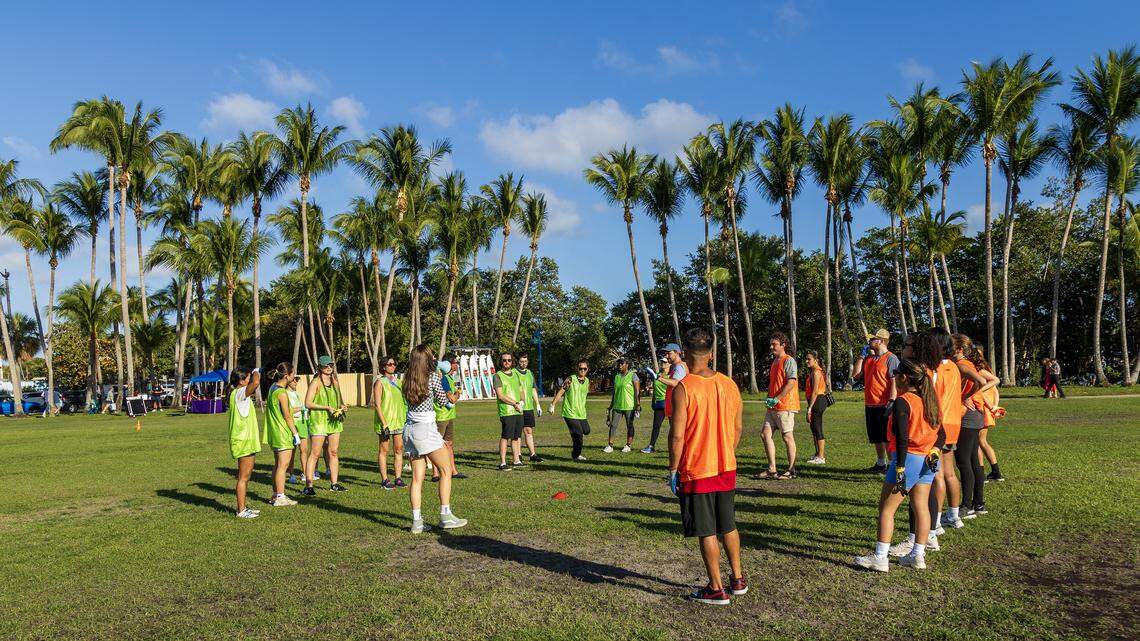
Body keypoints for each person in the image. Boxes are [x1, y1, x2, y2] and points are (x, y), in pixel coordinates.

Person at [668, 327, 746, 604]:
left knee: (707, 530)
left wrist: (672, 470)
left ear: (687, 354)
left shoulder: (685, 387)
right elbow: (738, 428)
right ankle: (737, 578)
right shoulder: (729, 384)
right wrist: (725, 451)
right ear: (711, 354)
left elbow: (677, 435)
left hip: (697, 468)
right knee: (728, 525)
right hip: (726, 466)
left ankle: (716, 588)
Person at [854, 358, 942, 572]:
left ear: (904, 378)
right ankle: (917, 555)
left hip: (908, 459)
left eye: (895, 375)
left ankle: (880, 558)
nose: (893, 378)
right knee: (921, 508)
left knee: (886, 509)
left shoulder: (904, 401)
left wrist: (900, 467)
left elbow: (902, 437)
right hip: (927, 461)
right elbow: (942, 434)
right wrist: (935, 450)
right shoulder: (929, 400)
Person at [401, 344, 466, 533]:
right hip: (426, 429)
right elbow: (445, 403)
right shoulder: (433, 378)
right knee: (446, 470)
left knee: (416, 478)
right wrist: (454, 395)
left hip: (409, 430)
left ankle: (417, 522)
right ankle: (446, 516)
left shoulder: (406, 379)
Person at [951, 335, 998, 520]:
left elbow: (982, 382)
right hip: (974, 415)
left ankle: (967, 505)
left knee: (964, 462)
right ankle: (978, 503)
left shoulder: (963, 364)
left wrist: (964, 397)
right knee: (973, 460)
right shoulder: (967, 363)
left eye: (951, 346)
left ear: (960, 349)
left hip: (968, 417)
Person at [852, 328, 899, 473]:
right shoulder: (869, 359)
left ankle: (892, 465)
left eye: (873, 339)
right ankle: (880, 463)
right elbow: (856, 376)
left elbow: (894, 382)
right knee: (876, 436)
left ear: (882, 341)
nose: (869, 341)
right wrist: (861, 356)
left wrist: (892, 401)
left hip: (885, 404)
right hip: (870, 404)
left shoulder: (891, 358)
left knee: (887, 437)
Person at [303, 355, 348, 495]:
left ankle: (334, 484)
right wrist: (326, 407)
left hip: (334, 422)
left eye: (331, 365)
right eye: (326, 365)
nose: (329, 367)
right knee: (315, 454)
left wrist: (342, 406)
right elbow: (307, 403)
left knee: (333, 452)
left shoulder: (335, 381)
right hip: (319, 422)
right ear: (320, 367)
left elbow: (339, 400)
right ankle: (309, 486)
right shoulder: (315, 382)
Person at [758, 332, 798, 479]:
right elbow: (774, 383)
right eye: (771, 344)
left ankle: (791, 470)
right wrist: (770, 398)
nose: (771, 347)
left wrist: (777, 398)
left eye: (774, 344)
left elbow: (791, 382)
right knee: (765, 434)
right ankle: (772, 469)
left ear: (783, 345)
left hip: (785, 405)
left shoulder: (789, 360)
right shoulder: (775, 361)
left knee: (787, 437)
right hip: (773, 406)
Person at [263, 363, 301, 507]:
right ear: (287, 376)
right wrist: (295, 433)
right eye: (293, 375)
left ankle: (275, 494)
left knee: (277, 465)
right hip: (282, 432)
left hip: (274, 431)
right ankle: (280, 497)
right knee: (283, 466)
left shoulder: (273, 387)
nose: (293, 377)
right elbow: (287, 416)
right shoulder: (282, 393)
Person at [227, 367, 262, 519]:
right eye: (247, 377)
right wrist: (256, 371)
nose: (250, 379)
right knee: (243, 477)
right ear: (241, 381)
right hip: (243, 441)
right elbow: (255, 384)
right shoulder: (240, 393)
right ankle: (241, 510)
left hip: (247, 440)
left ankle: (244, 507)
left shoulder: (240, 394)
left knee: (246, 477)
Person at [643, 343, 687, 454]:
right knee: (674, 432)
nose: (666, 356)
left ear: (677, 353)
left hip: (678, 406)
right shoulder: (675, 367)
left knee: (678, 433)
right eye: (666, 353)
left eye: (669, 353)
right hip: (672, 405)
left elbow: (674, 383)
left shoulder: (680, 366)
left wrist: (658, 377)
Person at [372, 356, 408, 490]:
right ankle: (385, 480)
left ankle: (398, 478)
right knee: (384, 450)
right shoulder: (379, 382)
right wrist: (384, 423)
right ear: (383, 367)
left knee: (399, 449)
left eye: (394, 364)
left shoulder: (399, 382)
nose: (393, 366)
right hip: (385, 422)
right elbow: (377, 405)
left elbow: (404, 401)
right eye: (390, 364)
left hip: (399, 421)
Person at [550, 359, 592, 461]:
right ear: (577, 369)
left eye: (584, 368)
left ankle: (575, 437)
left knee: (586, 431)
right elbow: (561, 392)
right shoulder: (570, 379)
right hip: (570, 412)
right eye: (580, 368)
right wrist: (552, 404)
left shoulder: (587, 381)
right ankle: (576, 455)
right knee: (579, 434)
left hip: (581, 413)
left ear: (587, 369)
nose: (582, 370)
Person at [493, 351, 526, 470]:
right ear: (500, 362)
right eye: (504, 360)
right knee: (505, 436)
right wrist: (515, 403)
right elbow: (500, 395)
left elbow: (521, 391)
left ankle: (516, 460)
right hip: (507, 411)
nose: (507, 362)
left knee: (516, 436)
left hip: (518, 410)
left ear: (512, 361)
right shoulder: (497, 376)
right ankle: (502, 462)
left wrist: (521, 402)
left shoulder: (516, 375)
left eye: (509, 360)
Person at [434, 358, 465, 481]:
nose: (456, 365)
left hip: (449, 415)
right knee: (436, 445)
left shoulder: (451, 377)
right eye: (454, 363)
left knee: (449, 444)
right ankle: (435, 474)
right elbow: (452, 399)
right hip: (441, 416)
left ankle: (453, 471)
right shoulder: (443, 378)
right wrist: (458, 393)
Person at [978, 354, 1005, 483]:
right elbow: (996, 392)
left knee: (979, 443)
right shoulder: (988, 374)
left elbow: (980, 394)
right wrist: (995, 406)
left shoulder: (980, 374)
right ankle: (995, 472)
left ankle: (982, 474)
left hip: (982, 411)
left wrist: (992, 407)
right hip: (987, 411)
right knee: (982, 442)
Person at [606, 358, 641, 453]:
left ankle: (628, 445)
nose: (619, 365)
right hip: (617, 406)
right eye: (618, 363)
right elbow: (615, 392)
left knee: (629, 425)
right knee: (613, 425)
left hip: (629, 406)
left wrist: (638, 404)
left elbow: (637, 391)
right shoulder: (616, 376)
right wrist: (611, 406)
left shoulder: (633, 375)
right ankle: (610, 445)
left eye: (622, 363)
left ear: (627, 365)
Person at [516, 353, 544, 463]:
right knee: (517, 432)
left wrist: (537, 404)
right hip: (518, 407)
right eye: (522, 361)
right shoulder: (514, 373)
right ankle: (518, 454)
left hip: (528, 407)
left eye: (525, 361)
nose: (524, 363)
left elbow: (533, 389)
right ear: (518, 361)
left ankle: (533, 454)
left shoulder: (529, 373)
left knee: (528, 431)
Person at [803, 350, 828, 465]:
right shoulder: (813, 371)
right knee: (813, 428)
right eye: (806, 359)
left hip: (818, 401)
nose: (806, 361)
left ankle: (821, 457)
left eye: (809, 359)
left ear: (815, 360)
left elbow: (815, 392)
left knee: (817, 428)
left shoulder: (817, 372)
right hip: (815, 401)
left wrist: (809, 408)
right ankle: (817, 453)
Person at [286, 371, 310, 485]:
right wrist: (301, 408)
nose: (296, 382)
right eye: (294, 379)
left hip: (302, 423)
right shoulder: (285, 394)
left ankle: (305, 474)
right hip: (293, 424)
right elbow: (288, 411)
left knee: (304, 450)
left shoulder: (297, 394)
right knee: (292, 451)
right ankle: (291, 474)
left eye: (297, 380)